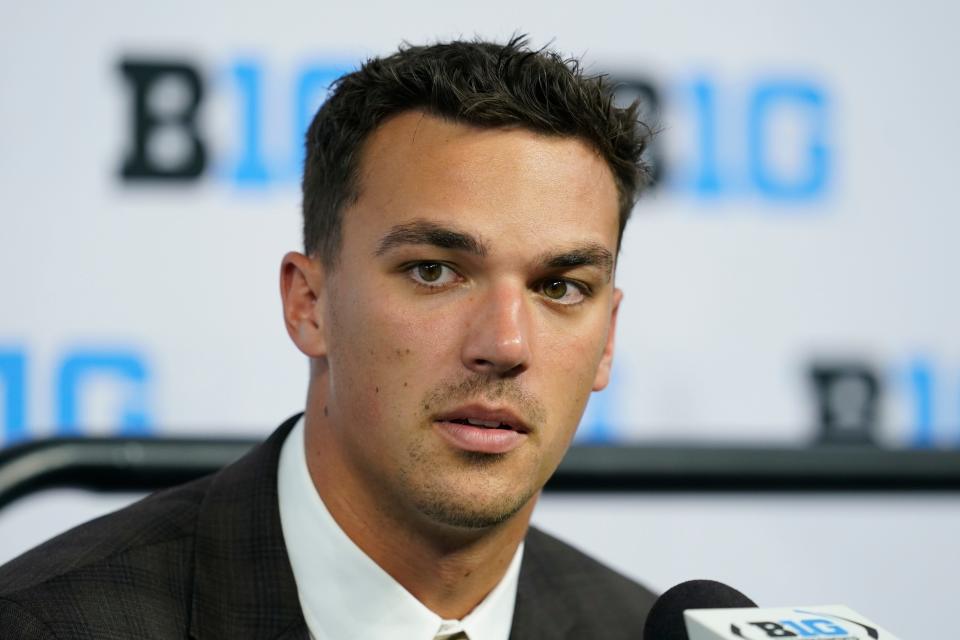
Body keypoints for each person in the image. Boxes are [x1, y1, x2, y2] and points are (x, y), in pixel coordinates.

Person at [0, 36, 657, 638]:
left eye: (560, 286)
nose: (507, 344)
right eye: (434, 271)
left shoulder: (635, 628)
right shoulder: (46, 623)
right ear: (308, 304)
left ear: (606, 341)